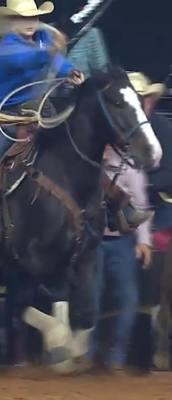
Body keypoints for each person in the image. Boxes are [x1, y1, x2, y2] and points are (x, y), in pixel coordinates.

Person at [0, 0, 84, 244]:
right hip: (5, 121)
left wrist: (70, 70)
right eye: (22, 18)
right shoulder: (7, 47)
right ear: (11, 22)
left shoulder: (42, 38)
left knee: (73, 146)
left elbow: (56, 63)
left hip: (39, 115)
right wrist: (52, 50)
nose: (29, 22)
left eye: (33, 17)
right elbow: (26, 61)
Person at [92, 145, 153, 371]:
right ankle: (88, 354)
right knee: (92, 298)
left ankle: (117, 356)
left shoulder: (131, 168)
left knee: (127, 299)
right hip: (93, 242)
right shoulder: (86, 166)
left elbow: (141, 207)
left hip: (122, 242)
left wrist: (144, 242)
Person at [128, 72, 172, 232]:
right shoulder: (120, 129)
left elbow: (169, 174)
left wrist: (139, 184)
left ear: (150, 102)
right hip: (125, 203)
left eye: (143, 99)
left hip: (160, 202)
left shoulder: (163, 127)